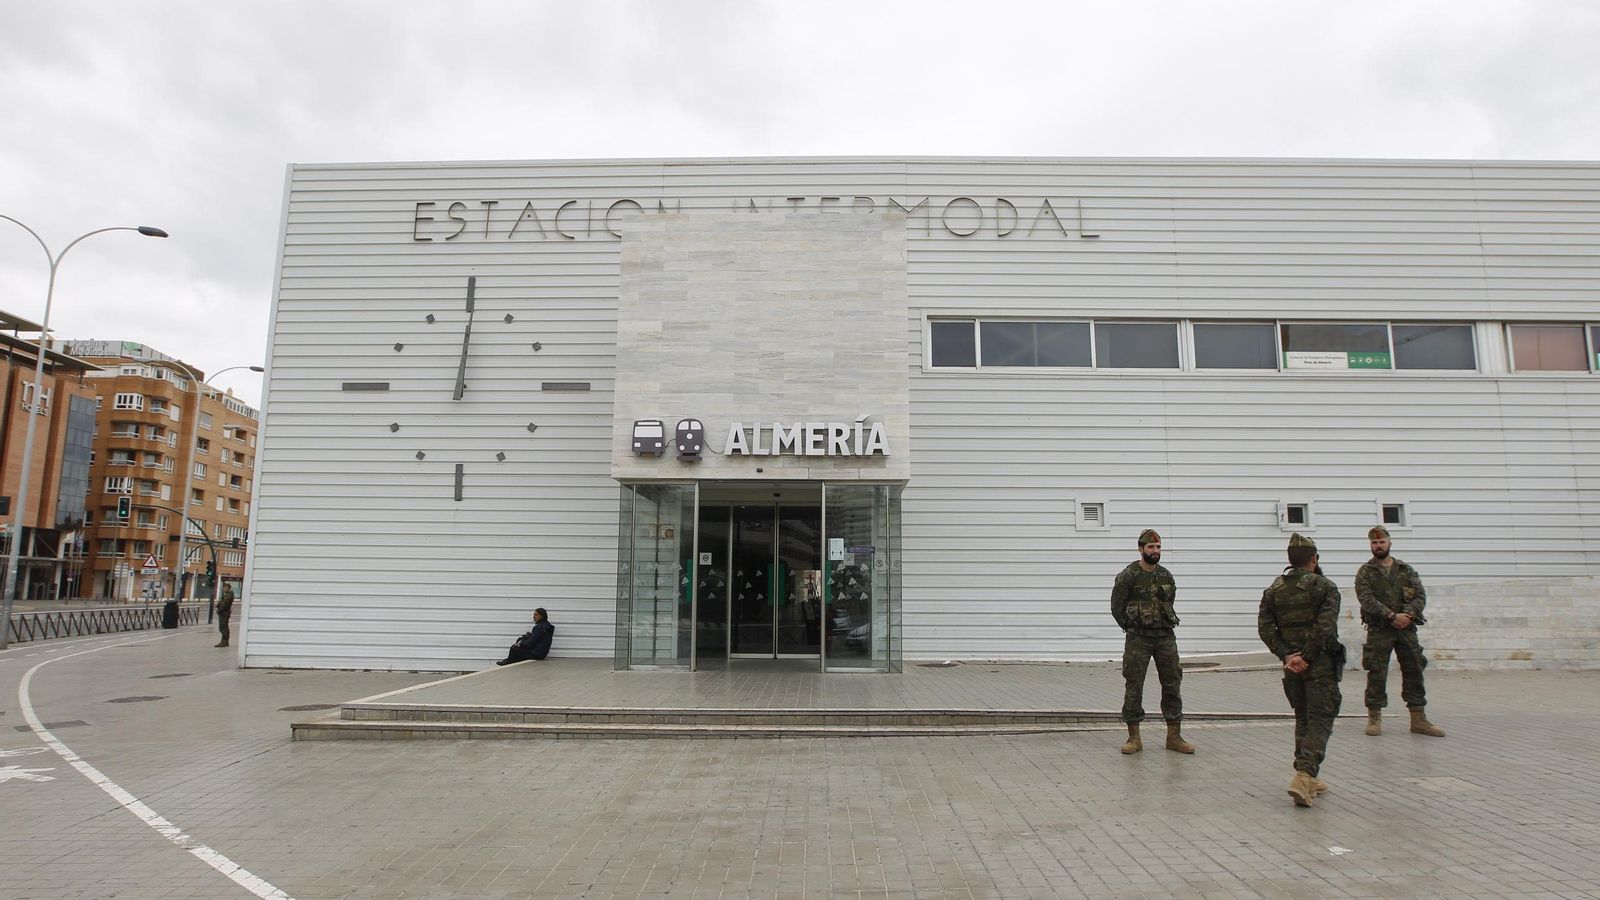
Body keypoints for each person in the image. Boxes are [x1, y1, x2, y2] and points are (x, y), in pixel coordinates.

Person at [1258, 533, 1345, 807]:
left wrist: (1287, 654)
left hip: (1291, 666)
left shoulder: (1274, 590)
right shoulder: (1325, 587)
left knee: (1304, 717)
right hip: (1318, 664)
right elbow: (1326, 626)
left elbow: (1264, 628)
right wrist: (1306, 656)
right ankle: (1305, 775)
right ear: (1314, 559)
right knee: (1321, 718)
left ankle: (1306, 773)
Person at [1110, 529, 1193, 755]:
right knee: (1134, 685)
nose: (1155, 551)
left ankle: (1174, 736)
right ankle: (1134, 737)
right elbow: (1117, 607)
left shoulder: (1166, 576)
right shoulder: (1128, 575)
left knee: (1172, 683)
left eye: (1158, 547)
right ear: (1141, 549)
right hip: (1139, 638)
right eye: (1150, 547)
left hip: (1165, 637)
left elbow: (1170, 601)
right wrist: (1131, 626)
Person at [1356, 526, 1445, 737]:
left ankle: (1418, 718)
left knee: (1414, 668)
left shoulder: (1406, 570)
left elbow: (1420, 596)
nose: (1378, 546)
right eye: (1374, 543)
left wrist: (1407, 615)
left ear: (1389, 542)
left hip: (1406, 629)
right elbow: (1366, 599)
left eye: (1382, 542)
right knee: (1377, 672)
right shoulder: (1365, 572)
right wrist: (1391, 616)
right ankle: (1374, 717)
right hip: (1380, 630)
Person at [214, 583, 235, 648]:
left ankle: (224, 642)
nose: (225, 589)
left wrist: (219, 610)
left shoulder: (228, 596)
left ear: (229, 588)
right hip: (224, 613)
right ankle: (224, 641)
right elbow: (222, 602)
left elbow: (225, 605)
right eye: (224, 587)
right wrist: (218, 605)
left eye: (226, 587)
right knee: (223, 627)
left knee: (223, 628)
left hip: (224, 613)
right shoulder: (226, 595)